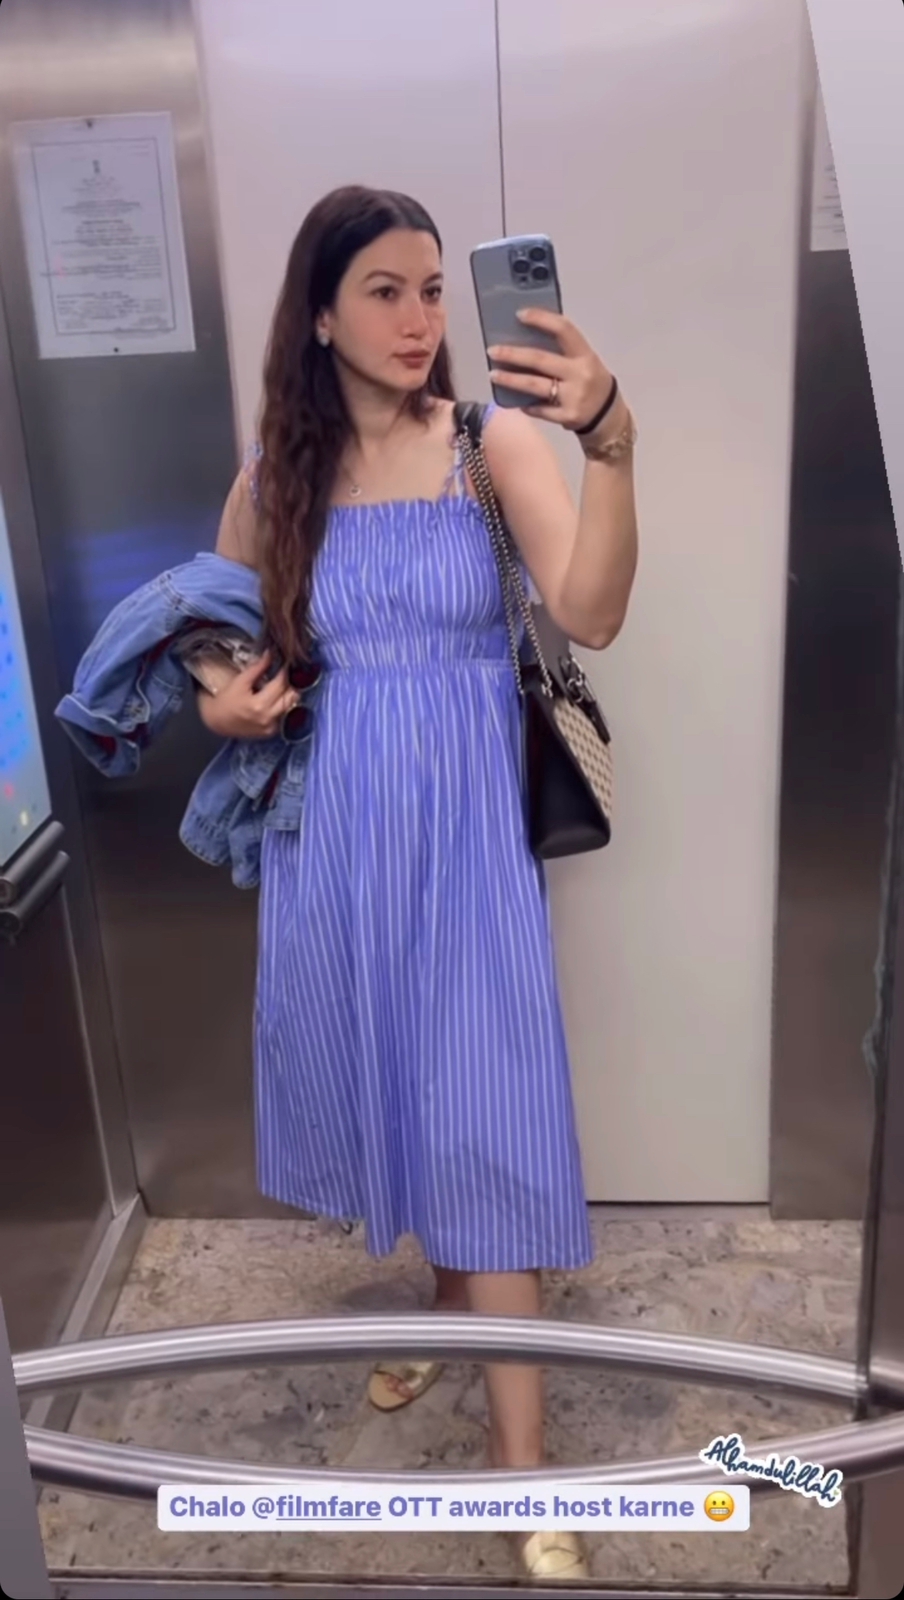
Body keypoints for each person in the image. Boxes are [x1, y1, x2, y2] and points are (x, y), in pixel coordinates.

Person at [200, 185, 638, 1581]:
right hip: (334, 843)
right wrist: (222, 702)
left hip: (467, 840)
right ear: (321, 315)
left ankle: (524, 1472)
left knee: (488, 1110)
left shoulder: (487, 440)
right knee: (400, 1081)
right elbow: (205, 631)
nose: (417, 317)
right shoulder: (274, 477)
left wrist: (611, 443)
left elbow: (591, 610)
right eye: (384, 290)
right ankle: (447, 1307)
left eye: (434, 289)